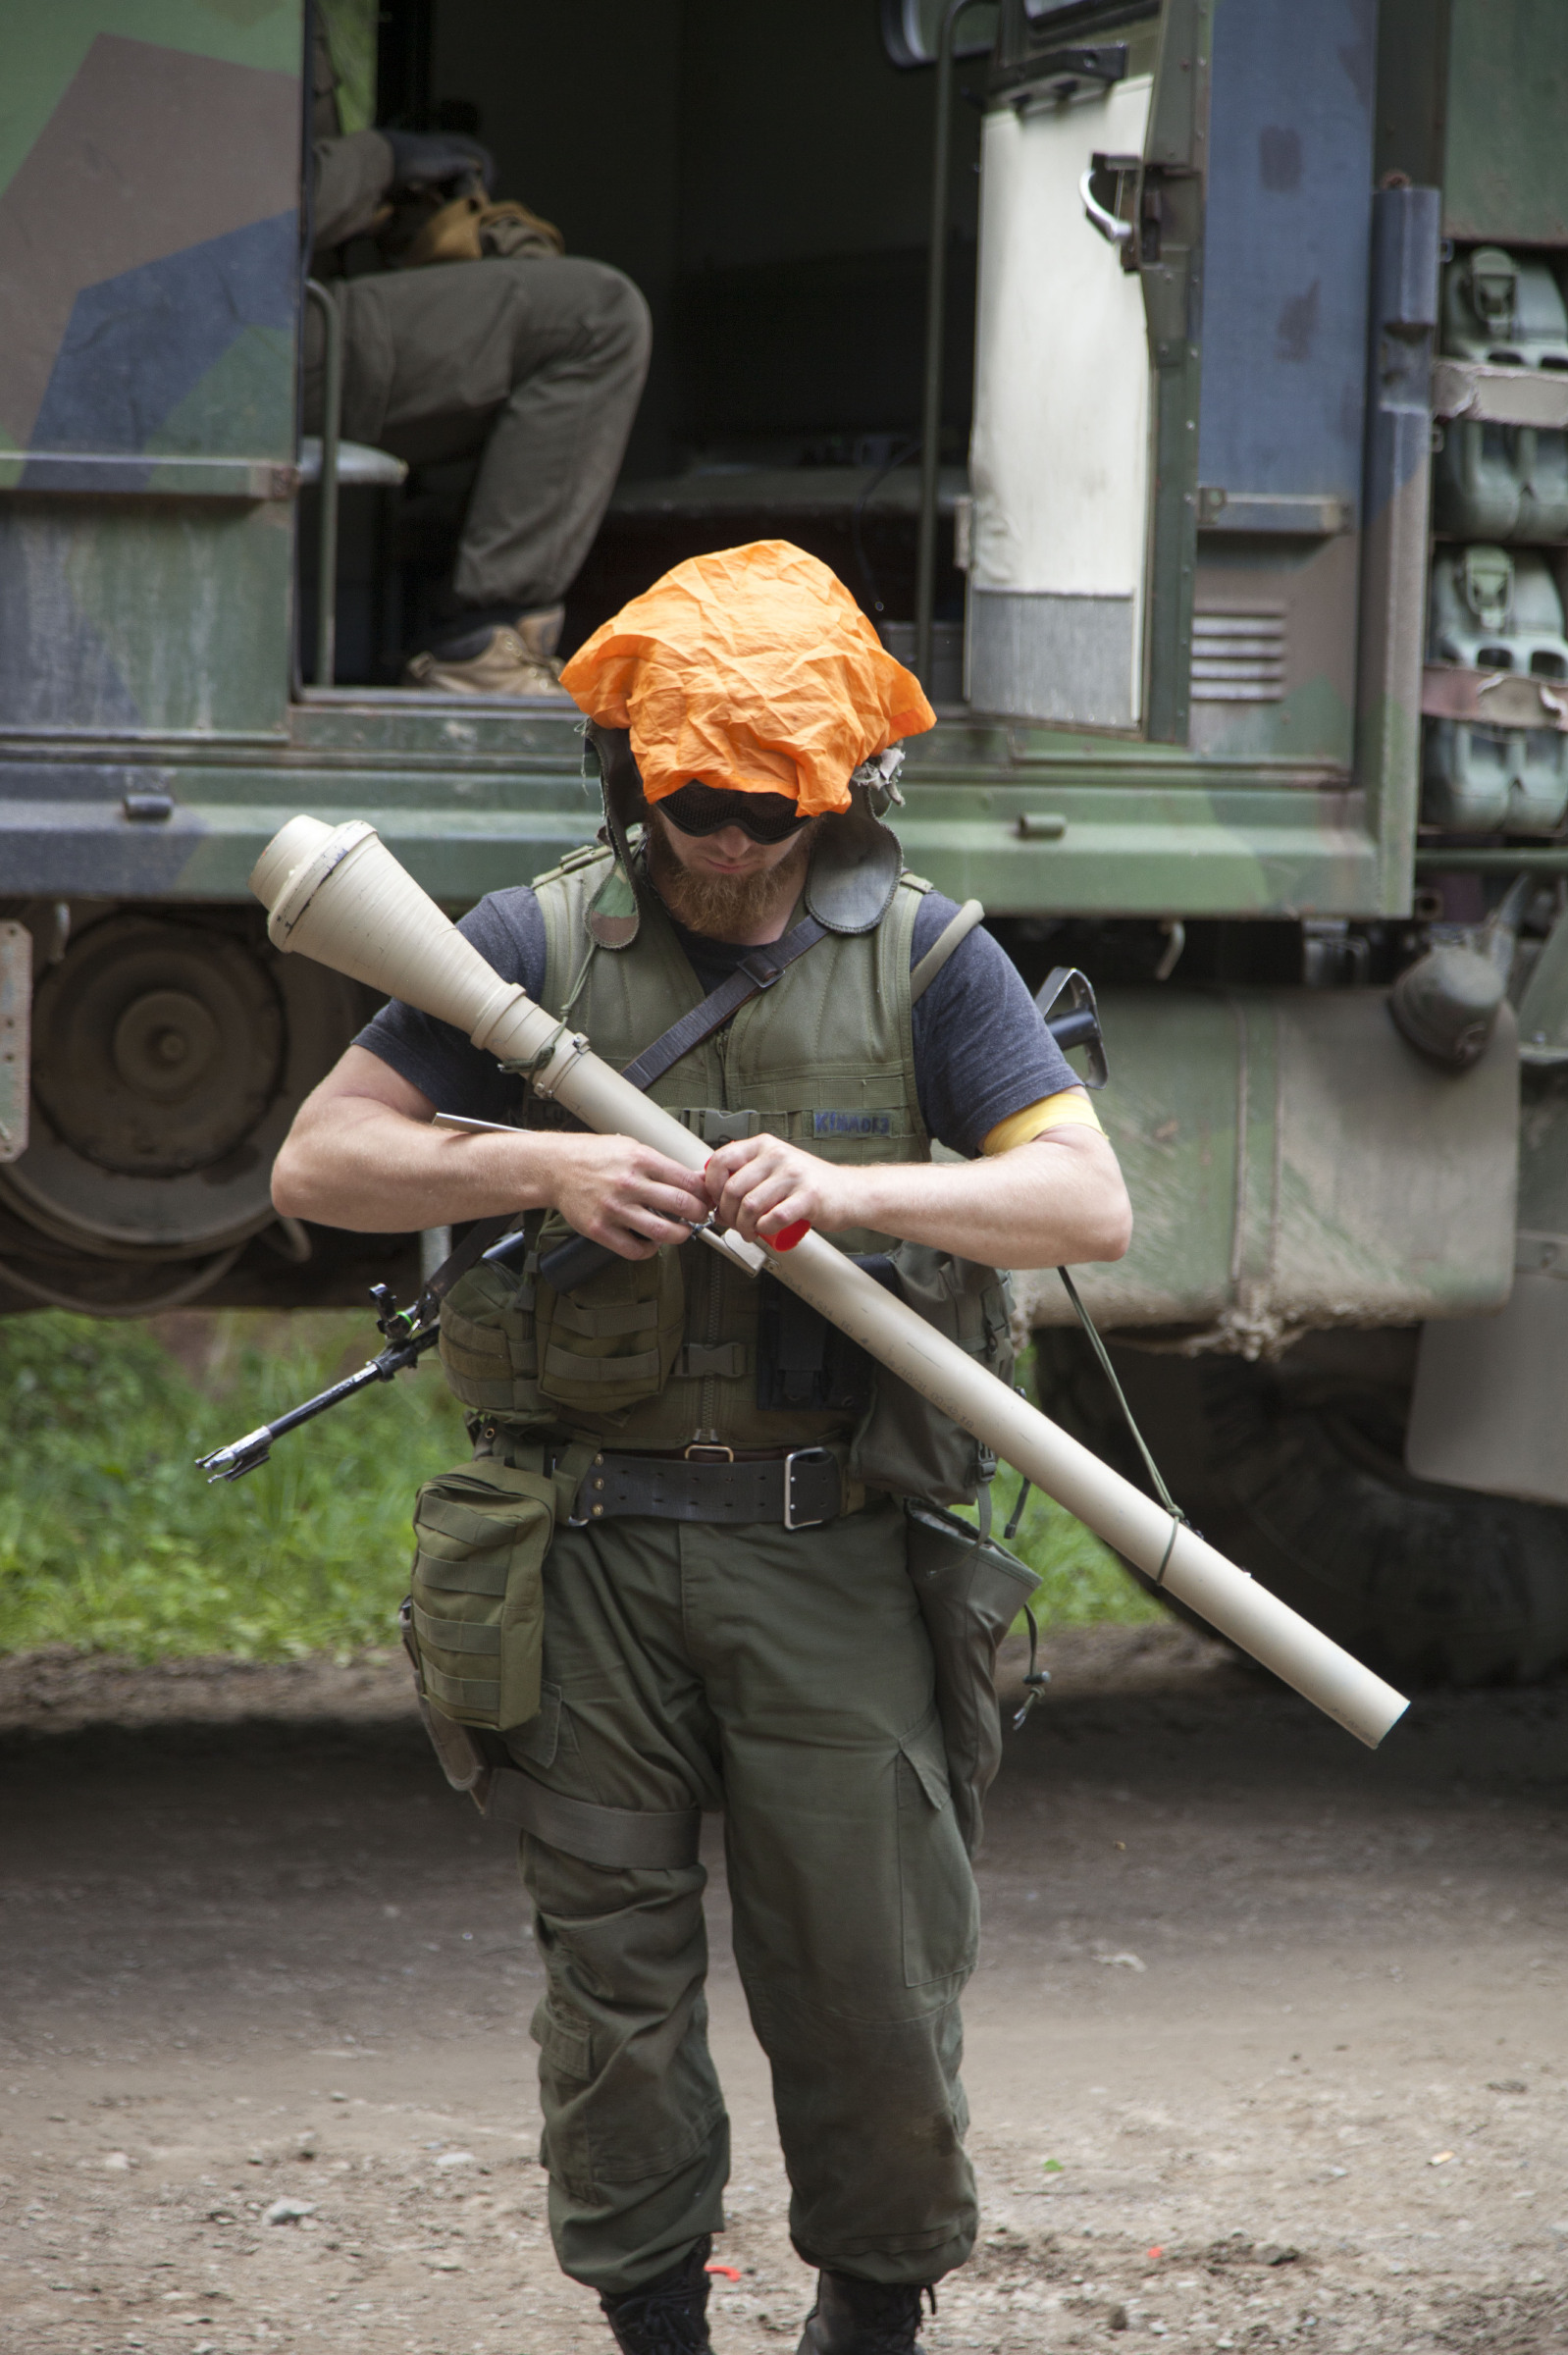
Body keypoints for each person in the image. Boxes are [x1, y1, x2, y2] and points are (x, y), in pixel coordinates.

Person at [271, 542, 1131, 2354]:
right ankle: (655, 2323)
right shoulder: (525, 946)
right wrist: (547, 1161)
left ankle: (871, 2315)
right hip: (582, 1557)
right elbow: (322, 1163)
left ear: (840, 792)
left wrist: (851, 1190)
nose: (727, 844)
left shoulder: (932, 958)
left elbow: (1085, 1201)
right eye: (691, 806)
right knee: (614, 1989)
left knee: (873, 1982)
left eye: (766, 810)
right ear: (630, 776)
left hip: (834, 1555)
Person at [306, 26, 650, 695]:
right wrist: (380, 160)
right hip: (236, 348)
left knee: (558, 310)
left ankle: (491, 642)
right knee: (594, 317)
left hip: (262, 331)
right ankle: (482, 645)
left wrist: (395, 206)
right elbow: (251, 211)